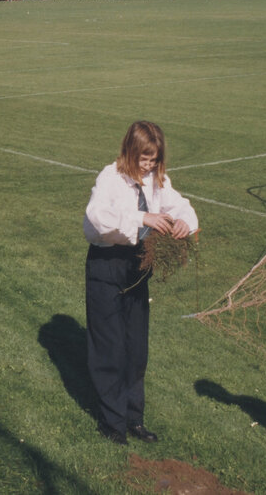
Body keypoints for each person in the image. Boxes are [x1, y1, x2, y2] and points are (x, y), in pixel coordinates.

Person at [83, 121, 198, 445]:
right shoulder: (111, 177)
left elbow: (181, 205)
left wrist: (184, 223)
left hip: (137, 267)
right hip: (106, 264)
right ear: (130, 152)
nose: (148, 166)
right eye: (143, 159)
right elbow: (97, 217)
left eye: (153, 160)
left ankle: (134, 418)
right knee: (110, 347)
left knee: (135, 348)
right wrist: (141, 217)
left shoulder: (157, 180)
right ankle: (112, 422)